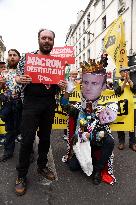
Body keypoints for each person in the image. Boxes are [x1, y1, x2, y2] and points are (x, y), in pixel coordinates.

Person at [15, 28, 67, 196]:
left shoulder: (58, 63)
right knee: (27, 140)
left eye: (49, 39)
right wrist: (19, 79)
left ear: (53, 42)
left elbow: (61, 85)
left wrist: (63, 86)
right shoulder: (27, 58)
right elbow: (16, 76)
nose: (46, 41)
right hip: (31, 103)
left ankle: (42, 166)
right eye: (44, 38)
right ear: (38, 39)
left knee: (45, 138)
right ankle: (21, 175)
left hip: (49, 103)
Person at [61, 59, 115, 185]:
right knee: (73, 166)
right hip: (81, 142)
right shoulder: (78, 110)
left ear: (102, 87)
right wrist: (67, 92)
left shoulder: (104, 107)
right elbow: (64, 105)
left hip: (96, 140)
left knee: (110, 141)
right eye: (86, 83)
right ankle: (85, 159)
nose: (89, 88)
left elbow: (109, 123)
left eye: (95, 84)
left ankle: (98, 169)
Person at [0, 49, 22, 162]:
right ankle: (8, 152)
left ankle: (28, 153)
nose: (12, 57)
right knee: (10, 130)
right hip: (8, 104)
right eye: (10, 55)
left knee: (24, 130)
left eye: (14, 55)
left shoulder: (23, 72)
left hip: (21, 105)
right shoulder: (3, 73)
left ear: (19, 57)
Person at [113, 67, 136, 151]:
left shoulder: (133, 80)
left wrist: (129, 81)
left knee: (131, 126)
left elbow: (135, 90)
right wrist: (124, 83)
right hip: (121, 107)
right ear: (120, 73)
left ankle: (132, 143)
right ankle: (121, 142)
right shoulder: (116, 82)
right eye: (124, 71)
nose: (126, 72)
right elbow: (117, 91)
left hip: (131, 107)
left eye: (128, 71)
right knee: (120, 125)